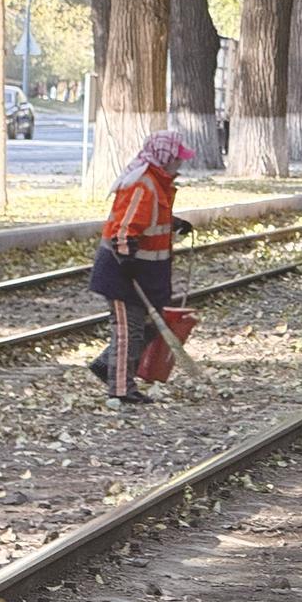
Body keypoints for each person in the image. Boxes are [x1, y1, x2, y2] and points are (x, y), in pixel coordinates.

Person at [88, 131, 196, 403]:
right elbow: (125, 228)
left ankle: (107, 364)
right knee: (128, 330)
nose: (179, 164)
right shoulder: (143, 184)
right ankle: (121, 389)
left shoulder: (157, 183)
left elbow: (148, 217)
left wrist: (173, 223)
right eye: (177, 158)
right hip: (123, 272)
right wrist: (126, 258)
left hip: (146, 273)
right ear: (165, 158)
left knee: (147, 325)